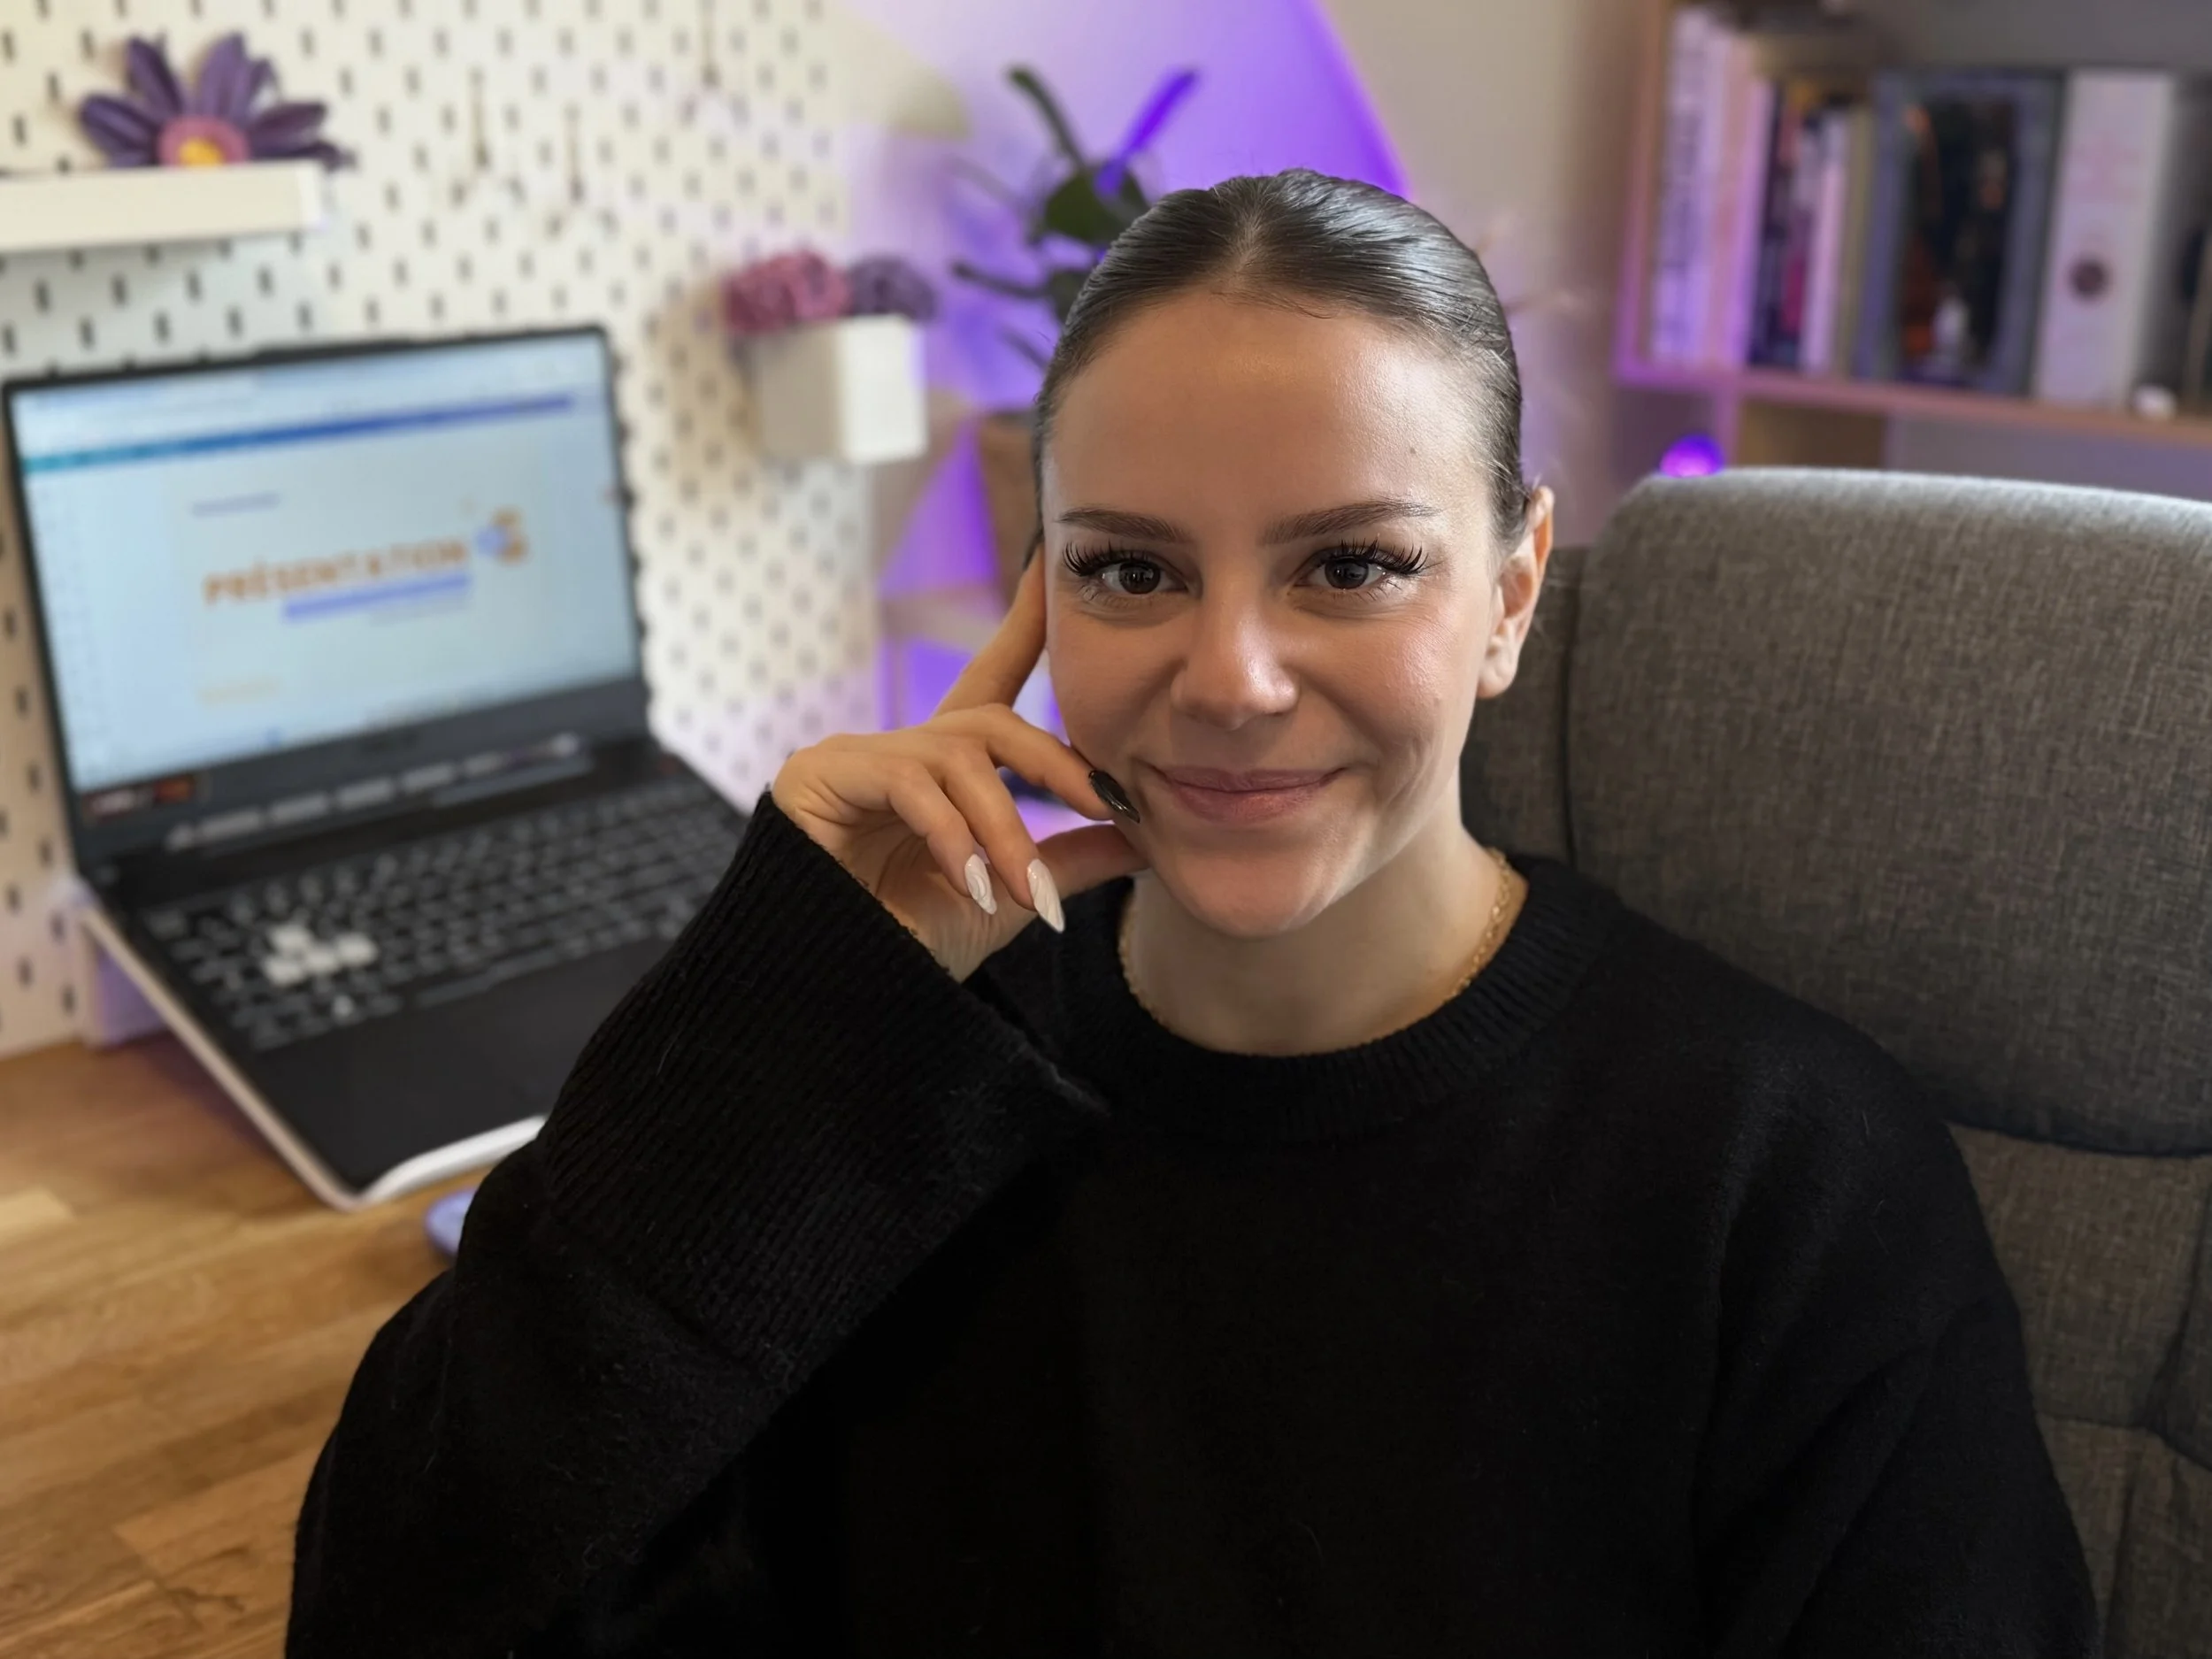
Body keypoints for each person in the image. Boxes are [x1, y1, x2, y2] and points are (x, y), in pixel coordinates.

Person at [287, 169, 2095, 1656]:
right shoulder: (882, 1083)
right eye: (1132, 568)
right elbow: (395, 1602)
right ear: (1038, 589)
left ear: (1508, 591)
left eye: (1351, 563)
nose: (1228, 678)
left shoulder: (1778, 1172)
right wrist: (781, 1021)